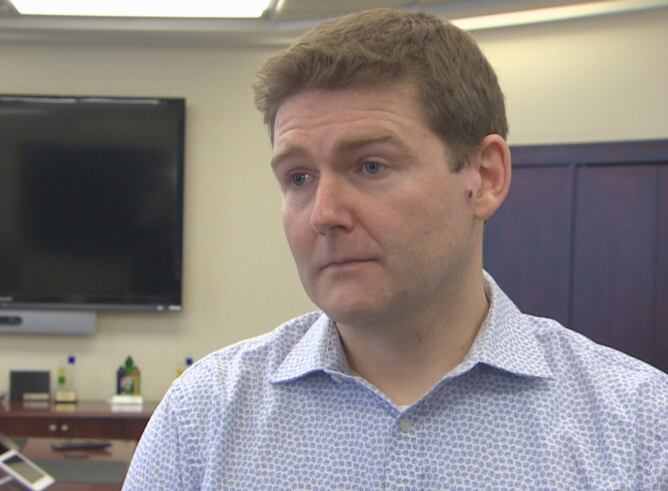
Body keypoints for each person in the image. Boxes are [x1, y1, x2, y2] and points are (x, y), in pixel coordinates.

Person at [124, 8, 668, 489]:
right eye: (297, 177)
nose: (324, 215)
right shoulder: (203, 419)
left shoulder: (639, 428)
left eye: (371, 166)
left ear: (485, 176)